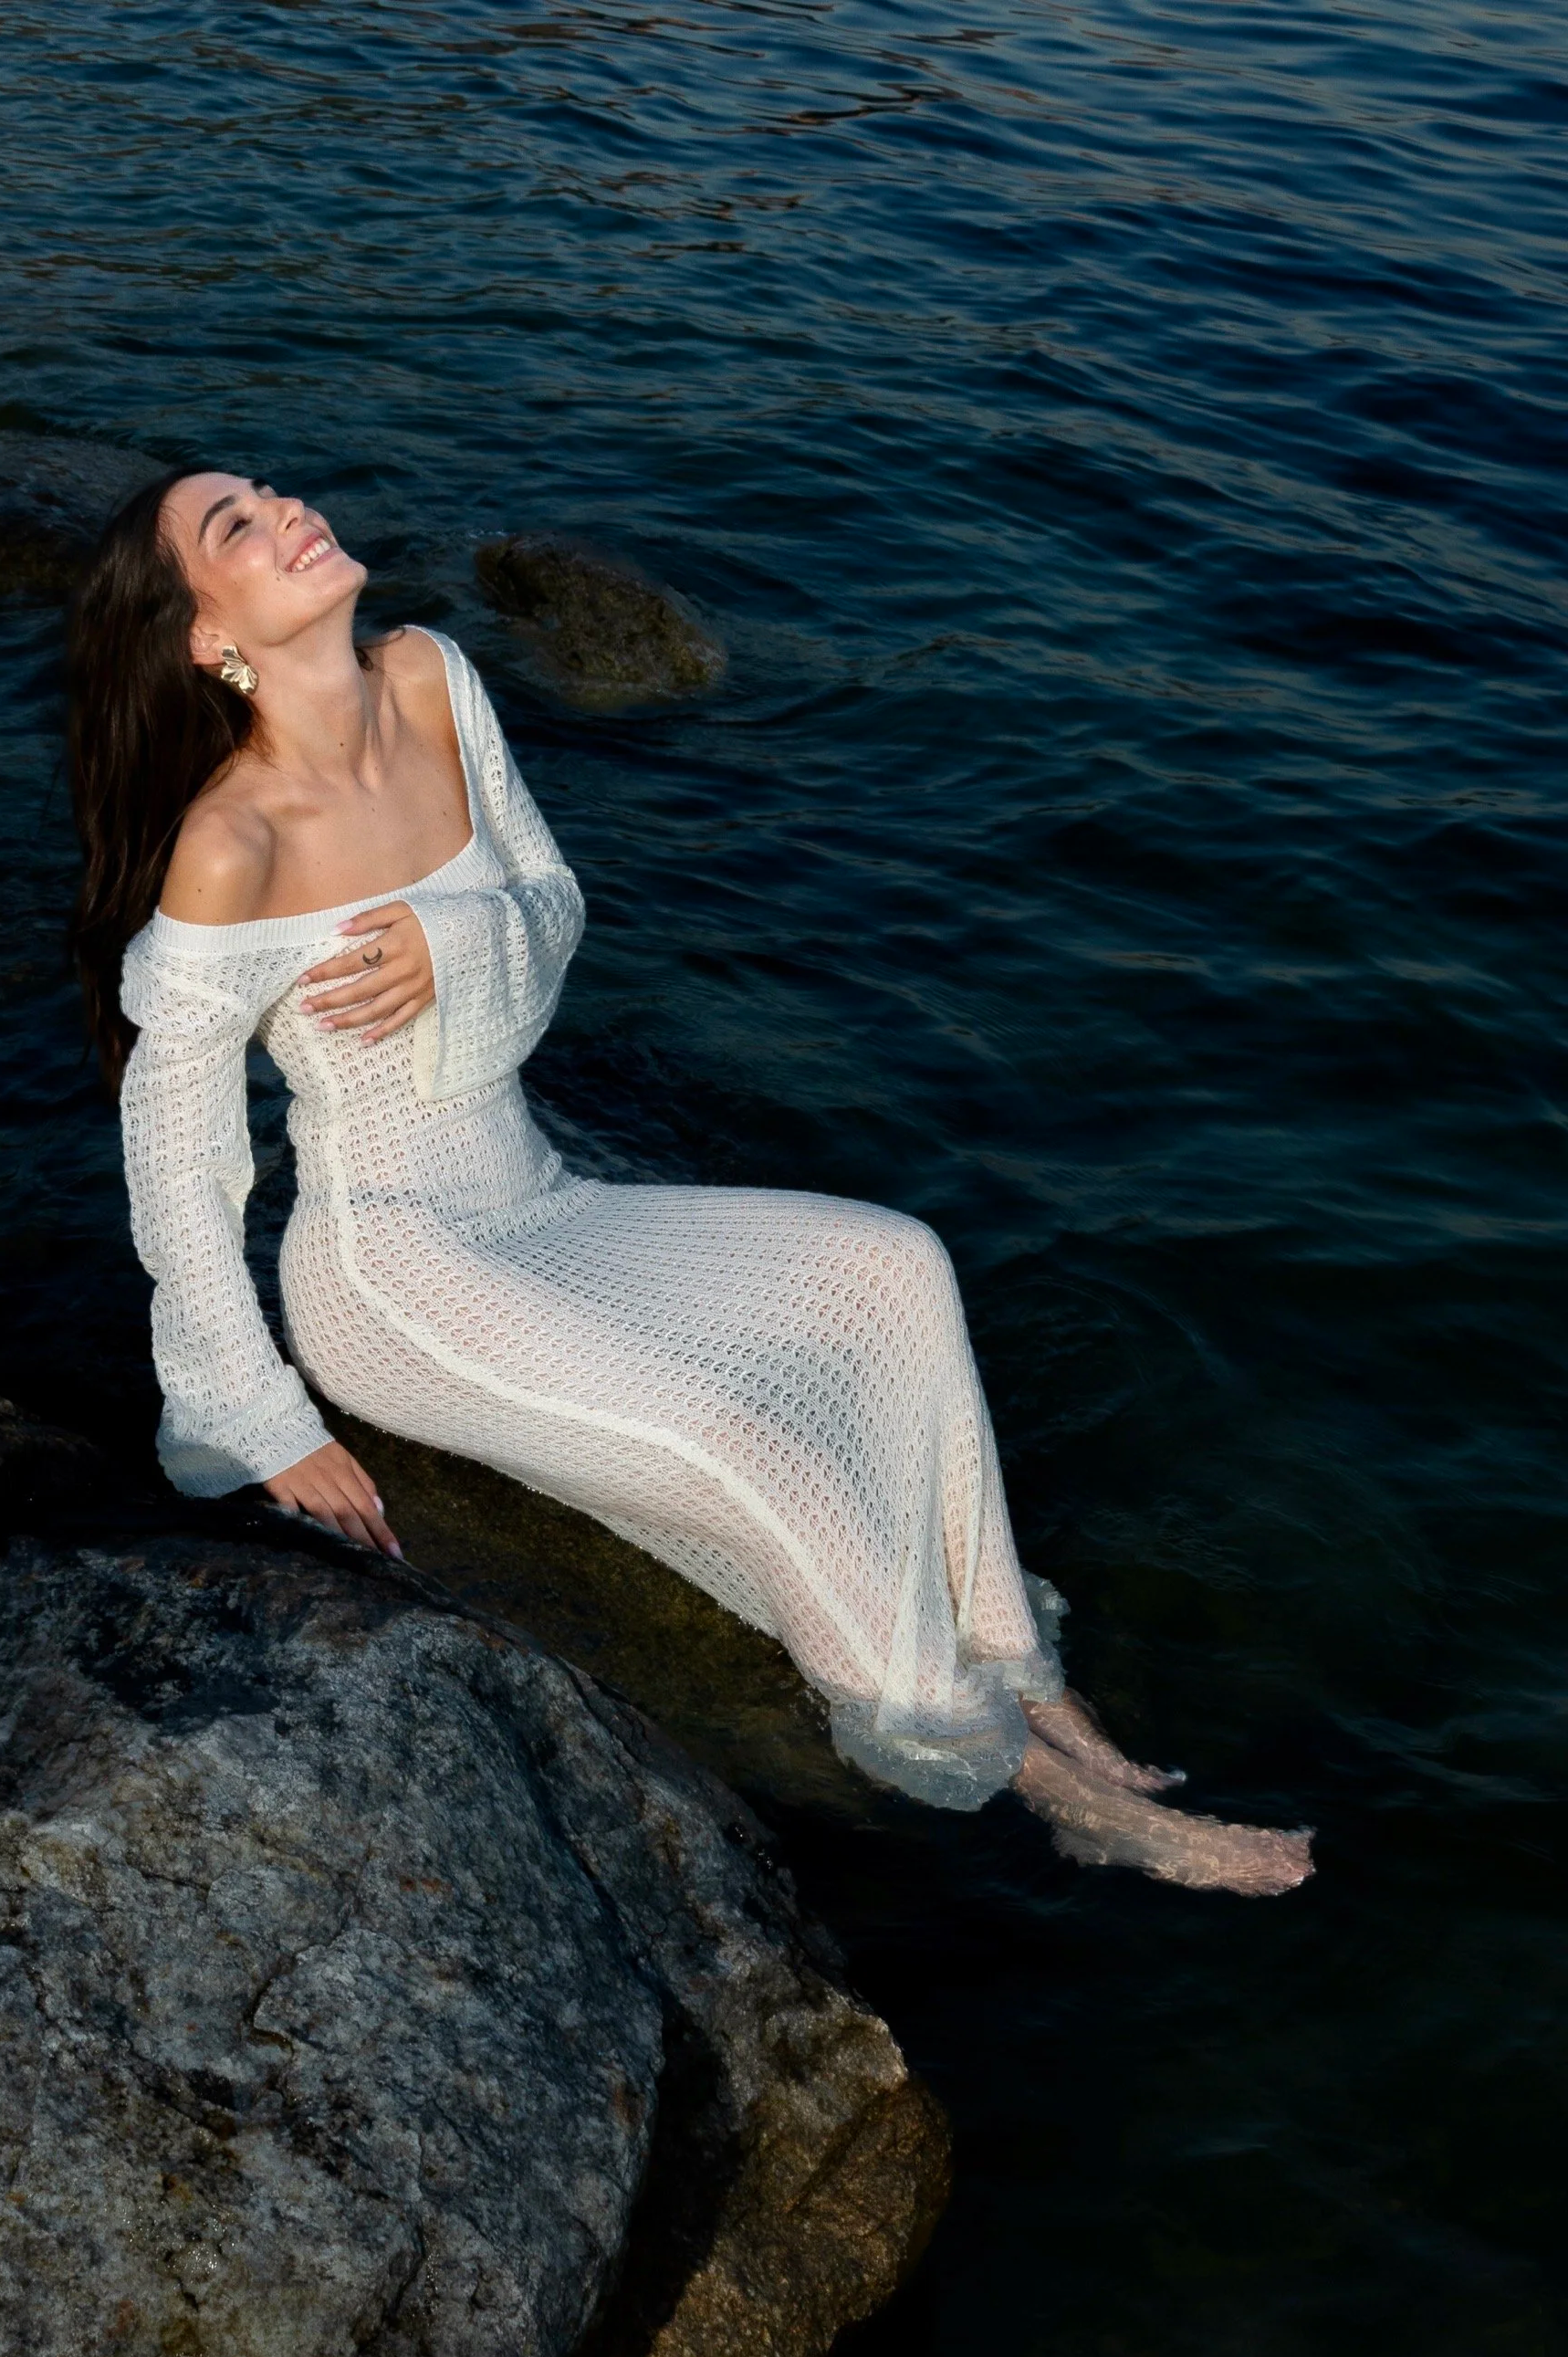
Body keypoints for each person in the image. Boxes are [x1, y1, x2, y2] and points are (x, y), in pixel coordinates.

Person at [66, 466, 1313, 1897]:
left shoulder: (429, 676)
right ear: (203, 641)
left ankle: (1014, 1663)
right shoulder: (235, 840)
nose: (285, 508)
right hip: (395, 1273)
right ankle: (1010, 1770)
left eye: (268, 488)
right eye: (236, 526)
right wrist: (257, 1414)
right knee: (760, 1435)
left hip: (541, 1197)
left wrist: (447, 950)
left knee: (896, 1264)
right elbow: (175, 1152)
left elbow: (552, 903)